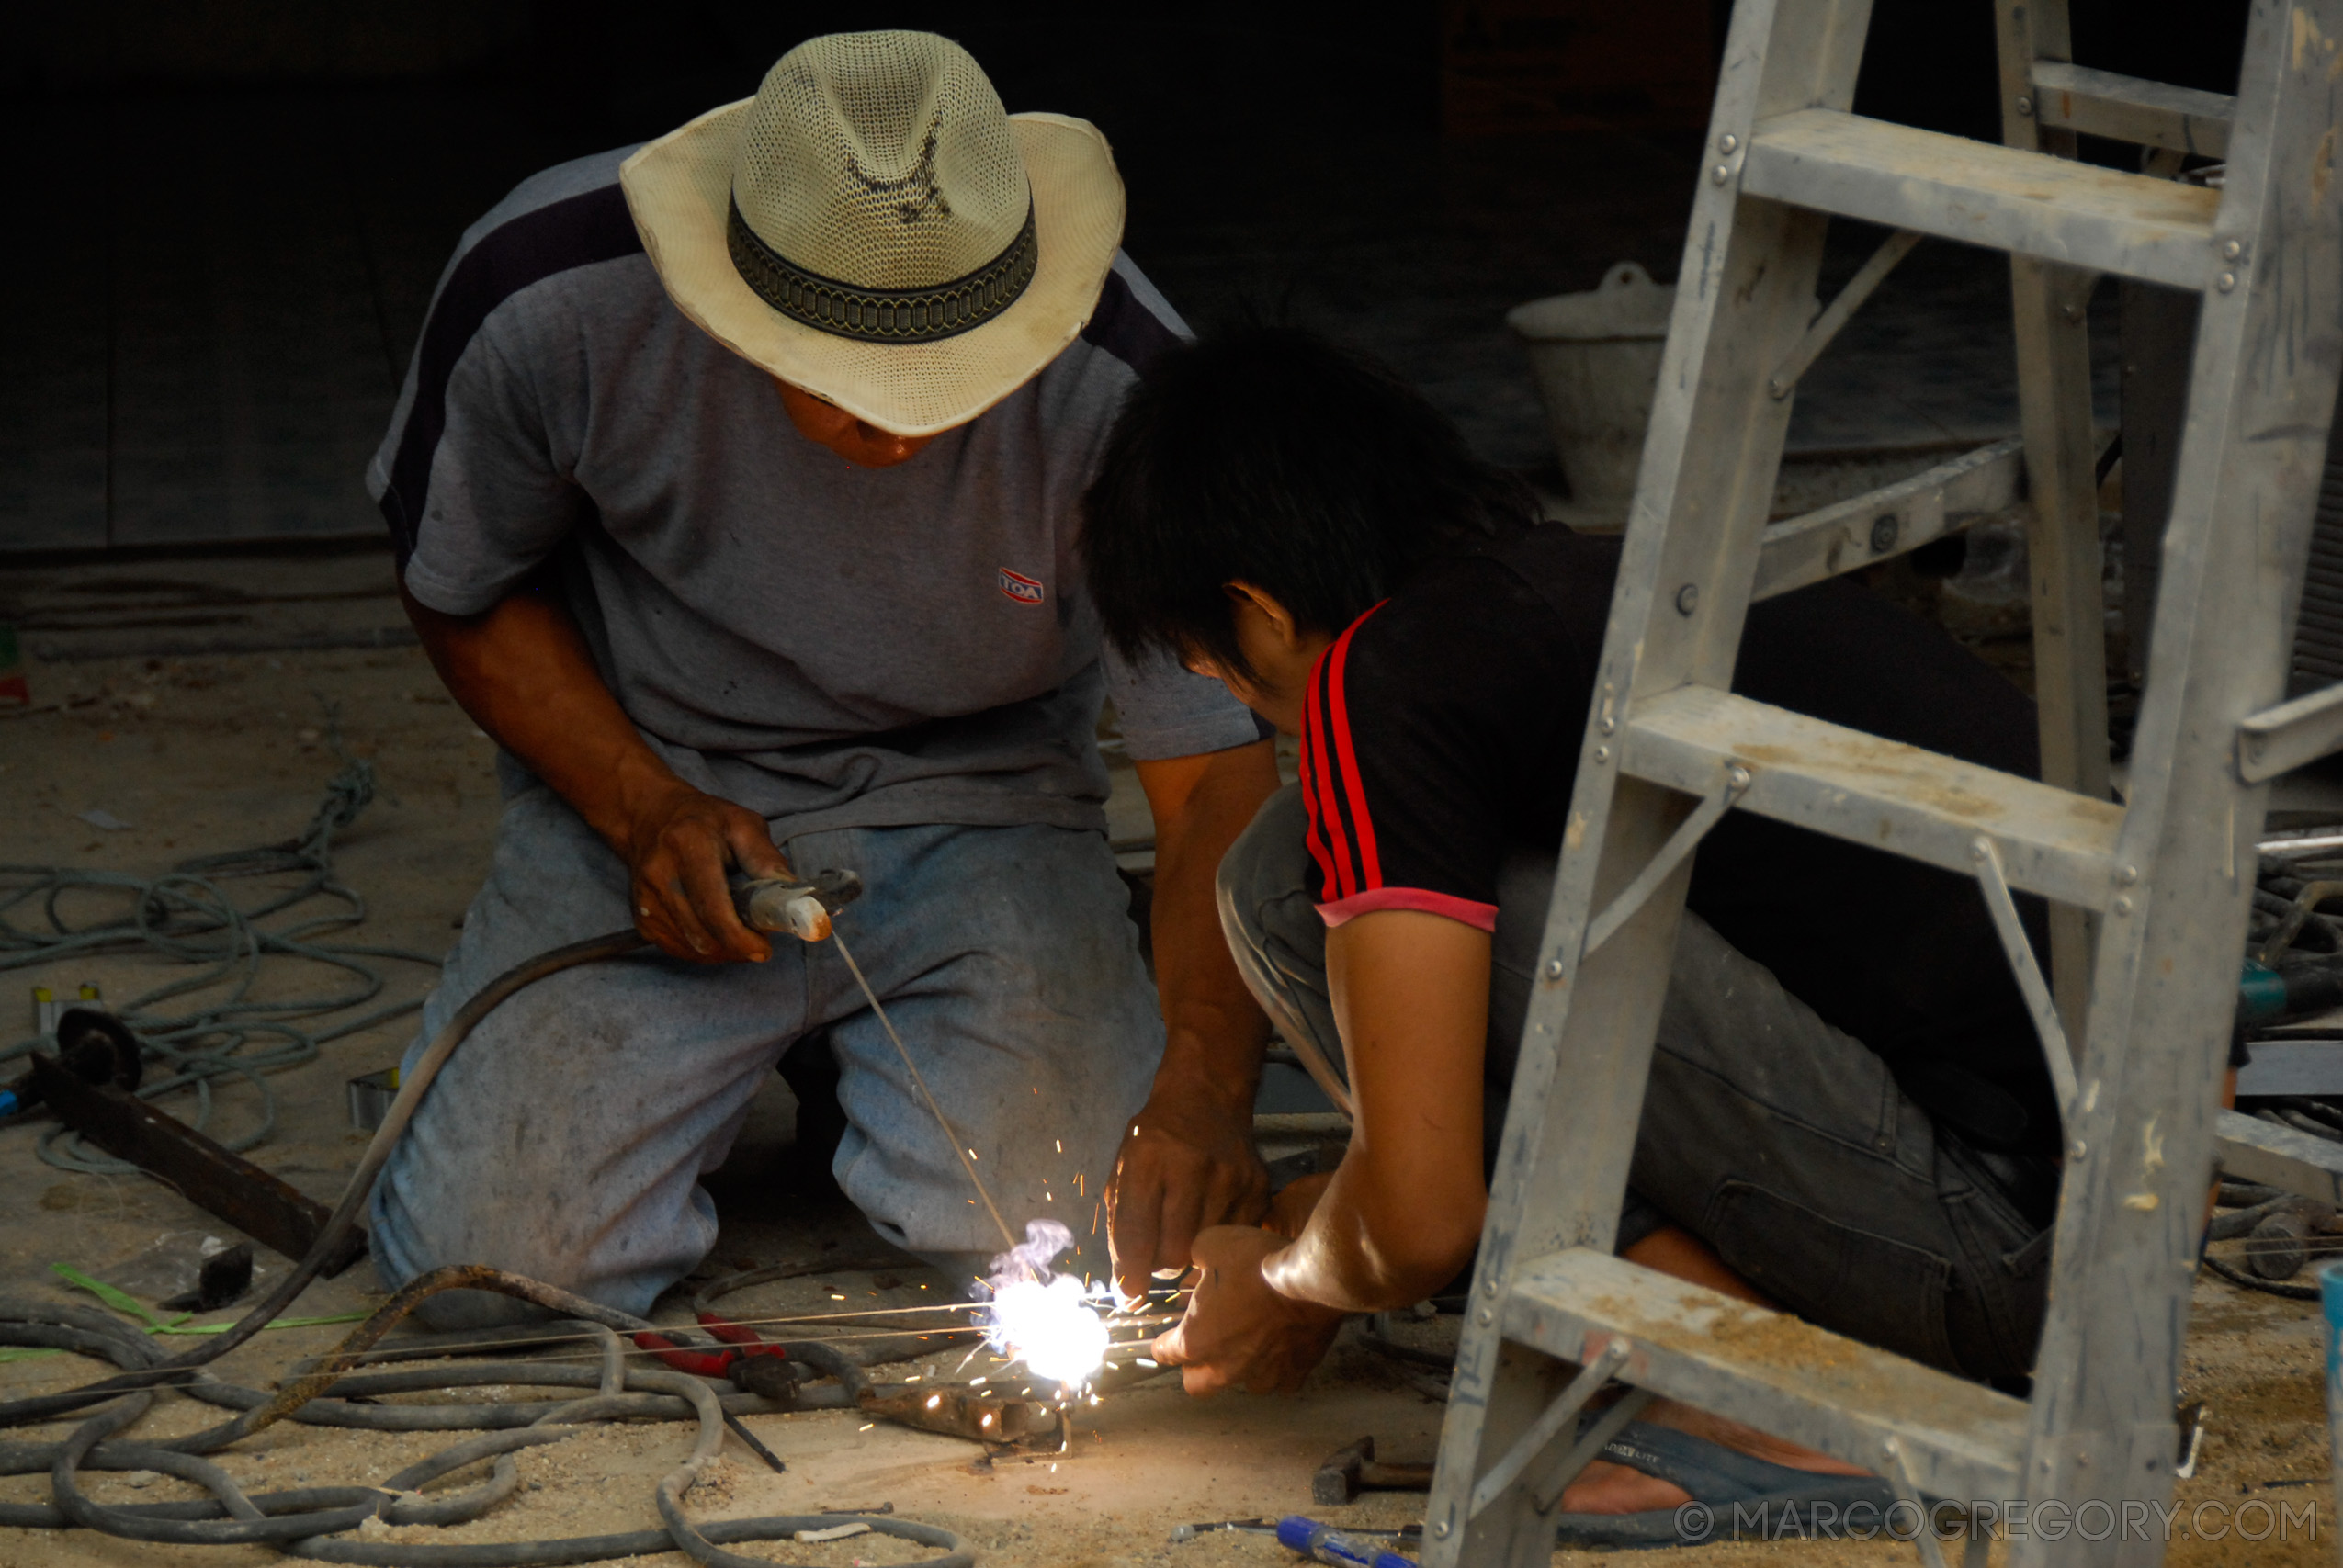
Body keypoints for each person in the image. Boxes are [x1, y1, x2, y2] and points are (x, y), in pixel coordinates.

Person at [1081, 324, 2073, 1537]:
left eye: (1220, 673)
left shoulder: (1380, 681)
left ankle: (1766, 1406)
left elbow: (1419, 1217)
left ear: (1257, 610)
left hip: (1974, 1246)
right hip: (2111, 1243)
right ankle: (1754, 1364)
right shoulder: (1598, 590)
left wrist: (1284, 1279)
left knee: (1285, 876)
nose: (1258, 712)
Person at [366, 31, 1284, 1326]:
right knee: (489, 1288)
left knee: (1097, 1259)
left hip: (984, 801)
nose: (907, 427)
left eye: (954, 375)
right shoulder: (548, 290)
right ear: (728, 309)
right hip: (655, 782)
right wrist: (639, 808)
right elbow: (460, 585)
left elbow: (1213, 788)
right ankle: (780, 1048)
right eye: (853, 387)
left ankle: (871, 1055)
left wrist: (1200, 1085)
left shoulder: (1126, 386)